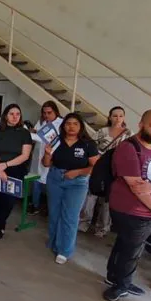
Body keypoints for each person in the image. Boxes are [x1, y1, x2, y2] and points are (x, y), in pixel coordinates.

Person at [103, 109, 151, 301]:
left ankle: (113, 277)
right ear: (141, 124)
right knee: (131, 251)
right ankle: (121, 286)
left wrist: (150, 186)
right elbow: (136, 188)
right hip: (132, 210)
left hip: (146, 209)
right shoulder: (128, 148)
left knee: (124, 245)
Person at [42, 113, 99, 264]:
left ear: (80, 126)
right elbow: (46, 164)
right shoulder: (56, 141)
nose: (71, 126)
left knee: (70, 217)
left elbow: (95, 166)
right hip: (55, 179)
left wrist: (78, 172)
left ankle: (64, 250)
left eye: (75, 124)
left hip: (77, 183)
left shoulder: (88, 144)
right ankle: (54, 242)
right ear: (63, 126)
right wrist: (47, 154)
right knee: (54, 214)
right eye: (68, 124)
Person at [79, 106, 133, 236]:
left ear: (124, 118)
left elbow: (129, 153)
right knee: (91, 196)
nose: (118, 118)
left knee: (107, 200)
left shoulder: (128, 134)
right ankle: (83, 223)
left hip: (114, 170)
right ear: (109, 117)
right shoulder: (102, 131)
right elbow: (91, 145)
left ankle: (102, 228)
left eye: (121, 115)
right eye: (115, 115)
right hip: (98, 167)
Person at [0, 104, 32, 240]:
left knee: (9, 200)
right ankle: (0, 225)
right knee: (0, 198)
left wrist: (5, 165)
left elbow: (25, 155)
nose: (15, 117)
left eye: (18, 114)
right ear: (6, 115)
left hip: (16, 170)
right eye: (12, 114)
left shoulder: (24, 133)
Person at [28, 101, 63, 216]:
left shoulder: (61, 123)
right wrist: (33, 132)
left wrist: (38, 135)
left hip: (51, 156)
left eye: (49, 112)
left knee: (50, 184)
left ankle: (50, 208)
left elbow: (57, 140)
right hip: (38, 155)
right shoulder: (41, 121)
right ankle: (35, 205)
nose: (46, 115)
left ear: (55, 112)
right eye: (44, 113)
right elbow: (37, 135)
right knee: (36, 181)